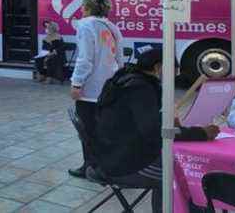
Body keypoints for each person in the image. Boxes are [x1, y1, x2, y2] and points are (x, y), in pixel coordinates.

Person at [93, 47, 219, 213]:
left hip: (112, 153)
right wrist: (201, 133)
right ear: (159, 68)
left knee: (175, 168)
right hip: (121, 163)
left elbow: (143, 123)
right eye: (174, 71)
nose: (175, 76)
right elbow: (155, 133)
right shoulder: (140, 88)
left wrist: (169, 123)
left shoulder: (127, 79)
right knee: (179, 177)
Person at [68, 0, 124, 178]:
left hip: (90, 90)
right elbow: (119, 59)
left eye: (83, 5)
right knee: (104, 129)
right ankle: (105, 166)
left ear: (86, 7)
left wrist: (76, 83)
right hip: (109, 87)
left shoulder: (86, 26)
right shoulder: (111, 27)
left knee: (87, 130)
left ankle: (89, 167)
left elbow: (85, 59)